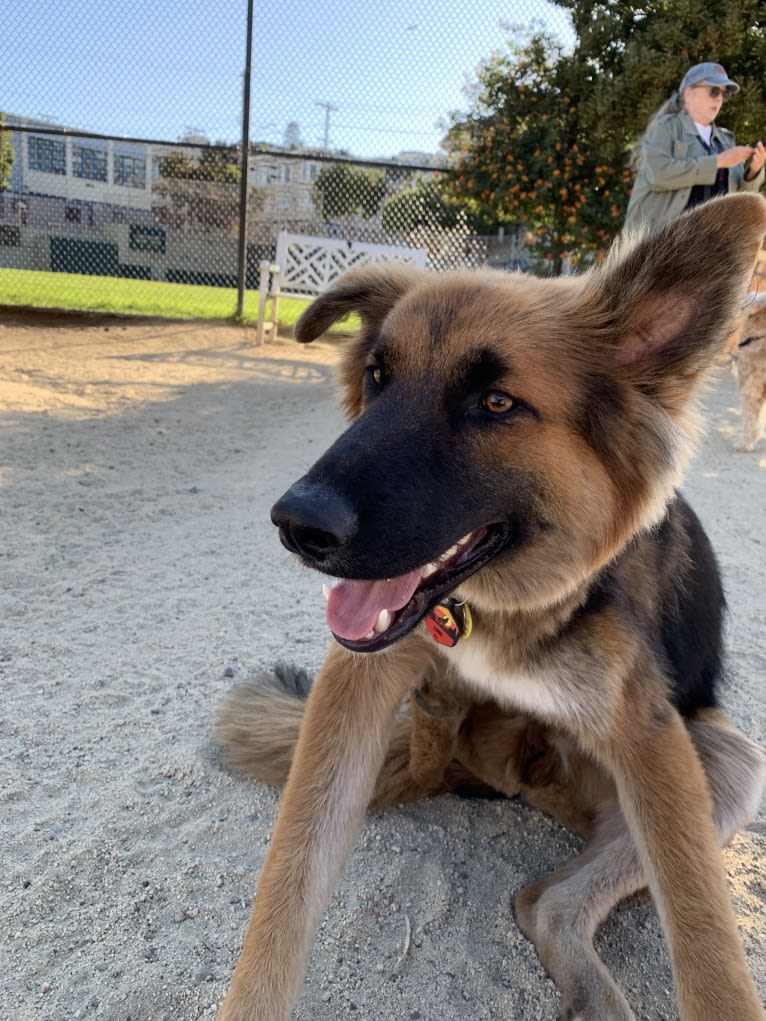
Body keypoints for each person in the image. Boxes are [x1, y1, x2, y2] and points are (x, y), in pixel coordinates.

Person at [624, 62, 766, 233]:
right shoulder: (665, 128)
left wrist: (754, 171)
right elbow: (658, 175)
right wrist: (718, 161)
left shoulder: (726, 140)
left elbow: (738, 197)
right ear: (689, 93)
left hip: (707, 245)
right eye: (713, 91)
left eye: (724, 93)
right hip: (660, 245)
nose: (719, 98)